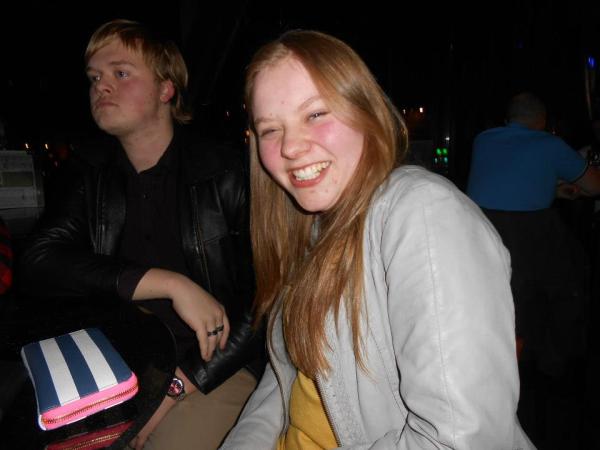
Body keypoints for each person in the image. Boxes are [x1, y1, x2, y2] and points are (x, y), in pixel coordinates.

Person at [220, 30, 533, 449]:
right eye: (271, 130)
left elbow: (460, 440)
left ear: (365, 110)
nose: (290, 147)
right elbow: (283, 383)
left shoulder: (423, 215)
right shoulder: (309, 231)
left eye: (315, 114)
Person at [19, 19, 262, 450]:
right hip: (117, 359)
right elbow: (40, 260)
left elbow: (266, 300)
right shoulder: (89, 171)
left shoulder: (225, 172)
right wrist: (168, 283)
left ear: (166, 89)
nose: (101, 86)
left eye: (121, 73)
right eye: (94, 77)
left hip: (214, 364)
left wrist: (177, 388)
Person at [467, 92, 600, 448]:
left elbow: (509, 183)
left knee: (513, 294)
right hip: (527, 238)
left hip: (481, 231)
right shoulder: (549, 144)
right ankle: (556, 363)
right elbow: (594, 186)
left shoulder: (483, 139)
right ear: (542, 121)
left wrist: (553, 189)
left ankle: (508, 355)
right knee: (572, 274)